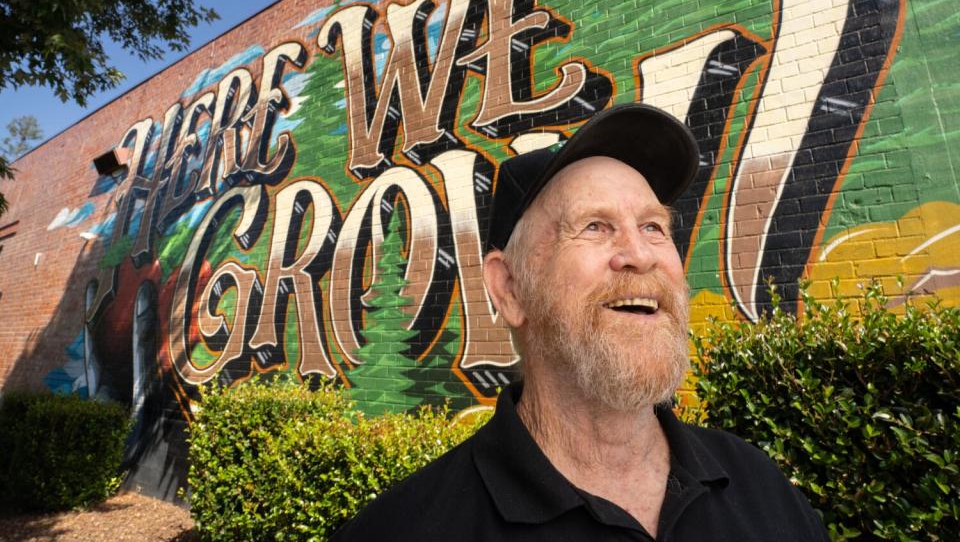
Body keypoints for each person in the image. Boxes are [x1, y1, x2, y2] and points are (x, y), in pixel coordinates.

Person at [332, 103, 829, 541]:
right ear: (509, 289)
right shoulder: (409, 528)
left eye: (654, 227)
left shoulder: (757, 482)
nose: (639, 255)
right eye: (594, 226)